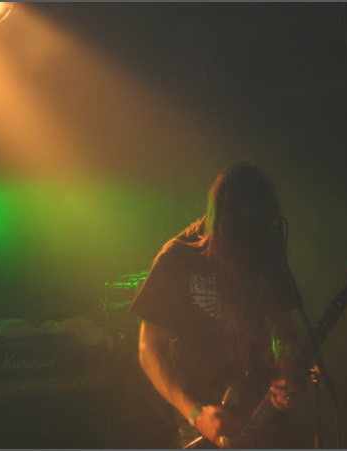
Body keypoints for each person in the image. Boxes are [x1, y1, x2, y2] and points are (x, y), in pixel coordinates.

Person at [129, 162, 308, 449]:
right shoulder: (178, 257)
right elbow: (149, 349)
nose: (249, 236)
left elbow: (283, 330)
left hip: (267, 415)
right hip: (208, 422)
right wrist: (195, 414)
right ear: (223, 216)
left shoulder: (265, 253)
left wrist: (287, 374)